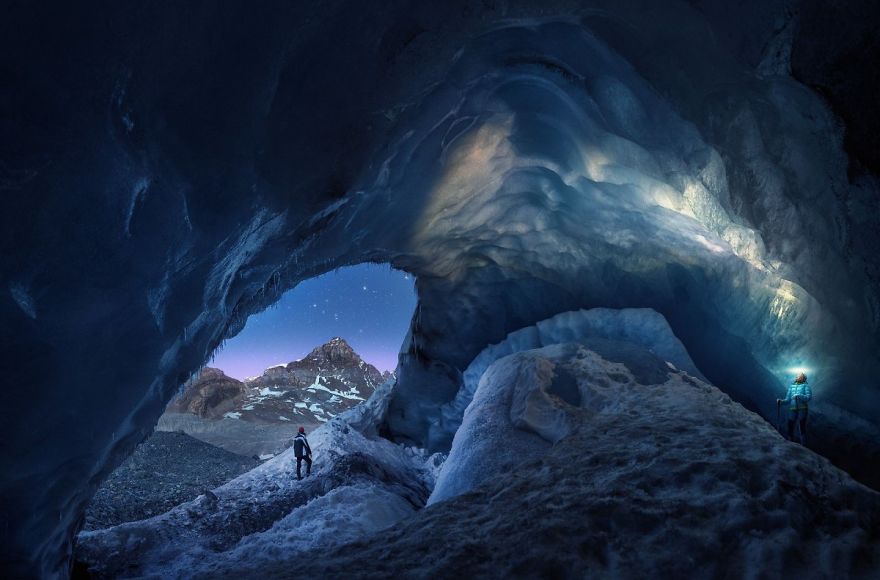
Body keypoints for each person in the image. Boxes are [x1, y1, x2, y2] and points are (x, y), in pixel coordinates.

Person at [777, 372, 812, 444]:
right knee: (790, 425)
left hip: (802, 408)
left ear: (803, 378)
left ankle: (803, 444)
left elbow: (808, 397)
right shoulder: (791, 386)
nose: (797, 376)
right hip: (793, 408)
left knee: (802, 426)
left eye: (800, 376)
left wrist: (799, 395)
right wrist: (781, 401)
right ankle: (790, 443)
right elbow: (788, 399)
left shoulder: (806, 386)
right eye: (797, 375)